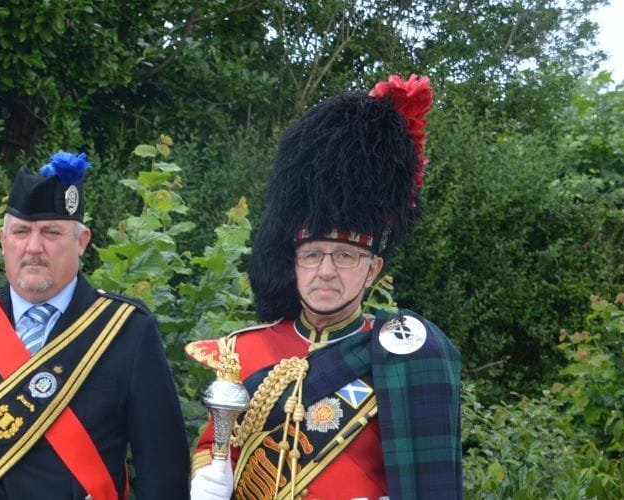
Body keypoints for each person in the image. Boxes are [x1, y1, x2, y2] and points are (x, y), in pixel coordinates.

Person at [185, 75, 462, 500]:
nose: (326, 271)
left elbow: (424, 471)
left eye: (346, 256)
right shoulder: (239, 352)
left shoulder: (400, 354)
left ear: (373, 270)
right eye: (312, 255)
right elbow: (213, 445)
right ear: (292, 263)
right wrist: (206, 474)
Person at [0, 152, 190, 500]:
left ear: (82, 242)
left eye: (50, 232)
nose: (33, 247)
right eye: (20, 232)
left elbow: (161, 467)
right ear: (2, 241)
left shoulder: (126, 330)